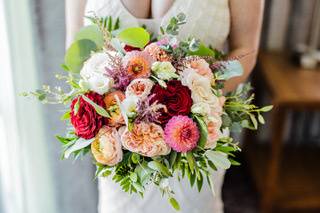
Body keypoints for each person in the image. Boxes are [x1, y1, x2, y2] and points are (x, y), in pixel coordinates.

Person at [65, 0, 264, 212]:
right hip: (119, 145)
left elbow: (245, 48)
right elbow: (76, 48)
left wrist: (198, 96)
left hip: (194, 138)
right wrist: (114, 109)